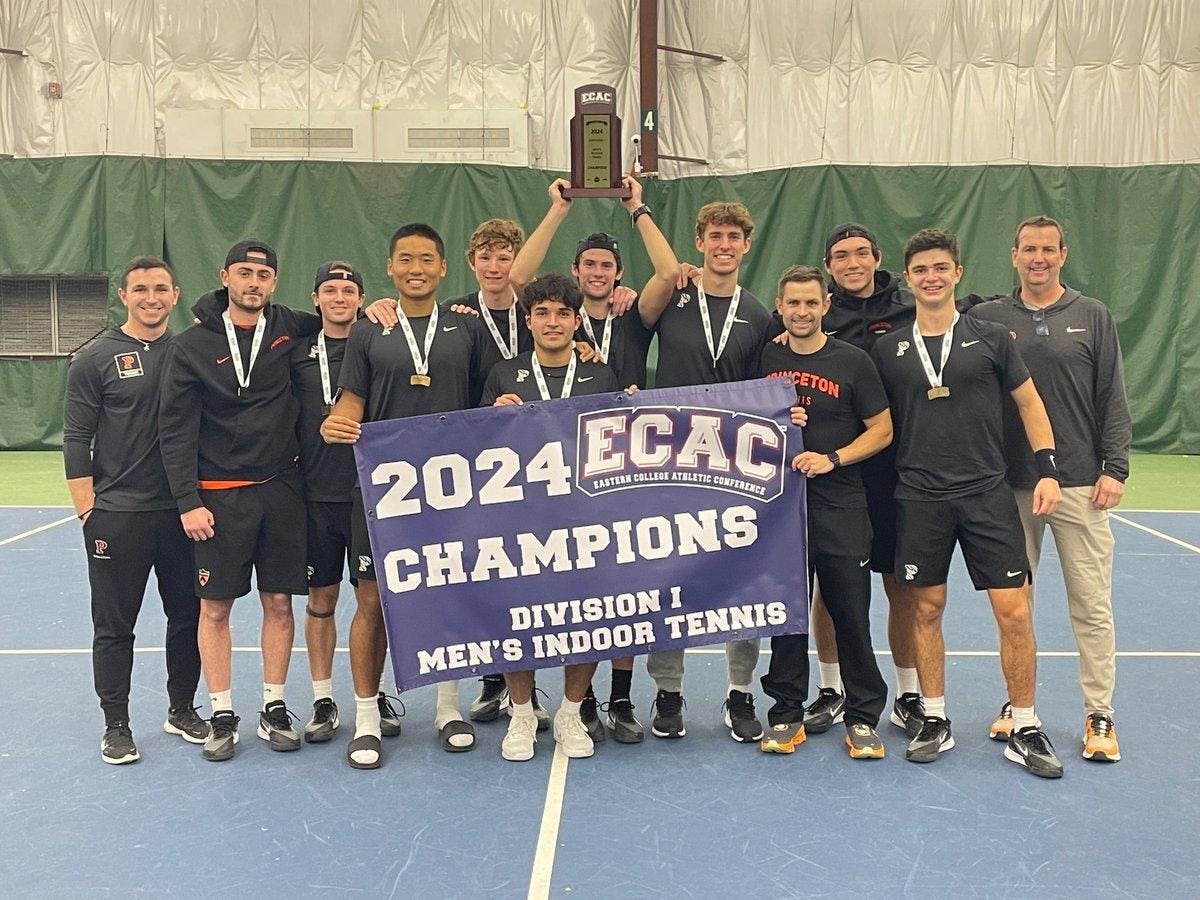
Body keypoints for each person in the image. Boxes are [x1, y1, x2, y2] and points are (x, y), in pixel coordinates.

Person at [870, 228, 1065, 778]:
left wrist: (1048, 468)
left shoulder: (993, 338)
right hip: (919, 498)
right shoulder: (889, 349)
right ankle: (933, 717)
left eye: (941, 268)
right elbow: (872, 420)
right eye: (921, 270)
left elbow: (1030, 404)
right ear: (908, 280)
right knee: (926, 610)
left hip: (986, 494)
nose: (931, 277)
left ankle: (1024, 724)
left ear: (957, 274)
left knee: (1015, 611)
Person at [505, 173, 673, 743]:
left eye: (607, 266)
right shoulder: (515, 365)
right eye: (589, 265)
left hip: (602, 491)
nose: (598, 273)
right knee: (523, 611)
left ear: (617, 275)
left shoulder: (626, 322)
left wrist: (636, 205)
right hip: (530, 508)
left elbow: (670, 276)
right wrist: (557, 208)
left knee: (604, 607)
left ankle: (604, 703)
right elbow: (520, 279)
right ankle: (521, 708)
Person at [320, 223, 490, 769]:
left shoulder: (468, 329)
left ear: (443, 269)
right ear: (391, 268)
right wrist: (337, 424)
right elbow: (351, 402)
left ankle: (447, 709)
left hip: (451, 492)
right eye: (405, 259)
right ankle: (367, 718)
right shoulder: (370, 330)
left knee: (447, 596)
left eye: (426, 259)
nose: (416, 267)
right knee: (371, 602)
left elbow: (492, 400)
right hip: (382, 493)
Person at [971, 215, 1131, 762]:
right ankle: (1018, 707)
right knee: (1015, 605)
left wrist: (1116, 467)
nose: (1038, 258)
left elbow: (1111, 394)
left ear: (1062, 254)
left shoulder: (1092, 315)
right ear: (1013, 255)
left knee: (1090, 604)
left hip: (1081, 483)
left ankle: (1099, 713)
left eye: (1048, 249)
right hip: (1009, 485)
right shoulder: (987, 317)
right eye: (1028, 249)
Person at [158, 240, 318, 762]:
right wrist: (187, 500)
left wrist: (377, 306)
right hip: (219, 499)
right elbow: (176, 429)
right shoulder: (191, 345)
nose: (253, 283)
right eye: (244, 273)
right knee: (215, 607)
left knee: (279, 602)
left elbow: (341, 315)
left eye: (263, 275)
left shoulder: (291, 327)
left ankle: (273, 706)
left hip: (280, 491)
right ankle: (222, 712)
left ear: (274, 283)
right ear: (225, 277)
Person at [637, 200, 773, 742]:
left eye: (733, 237)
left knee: (743, 578)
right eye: (714, 235)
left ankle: (740, 693)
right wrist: (638, 207)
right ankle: (668, 691)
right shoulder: (673, 298)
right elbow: (641, 303)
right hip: (670, 462)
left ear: (745, 245)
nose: (723, 244)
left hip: (736, 465)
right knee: (669, 578)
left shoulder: (760, 315)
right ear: (700, 242)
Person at [63, 256, 207, 764]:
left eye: (161, 288)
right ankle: (117, 725)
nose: (152, 297)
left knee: (186, 615)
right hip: (118, 515)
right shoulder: (95, 357)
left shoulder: (192, 351)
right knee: (114, 625)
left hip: (182, 514)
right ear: (123, 296)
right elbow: (77, 438)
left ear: (176, 294)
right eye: (141, 289)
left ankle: (182, 710)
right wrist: (87, 510)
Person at [479, 273, 623, 760]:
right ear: (529, 320)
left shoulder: (600, 375)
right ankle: (521, 712)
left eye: (563, 313)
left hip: (585, 516)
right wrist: (492, 415)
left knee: (587, 615)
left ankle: (570, 711)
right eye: (543, 313)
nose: (553, 322)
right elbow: (472, 447)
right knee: (516, 614)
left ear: (577, 320)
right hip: (519, 519)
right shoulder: (504, 374)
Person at [758, 266, 892, 758]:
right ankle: (785, 713)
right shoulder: (766, 355)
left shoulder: (853, 362)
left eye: (810, 303)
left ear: (825, 305)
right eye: (793, 303)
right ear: (780, 306)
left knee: (850, 615)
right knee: (788, 614)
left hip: (841, 505)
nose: (801, 312)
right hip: (780, 508)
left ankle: (861, 718)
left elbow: (882, 430)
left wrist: (832, 459)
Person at [289, 261, 367, 743]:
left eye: (349, 290)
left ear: (361, 298)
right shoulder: (294, 351)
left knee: (371, 603)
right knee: (322, 599)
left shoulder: (378, 343)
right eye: (330, 290)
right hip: (313, 496)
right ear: (315, 298)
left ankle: (372, 695)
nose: (340, 297)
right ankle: (322, 697)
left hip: (367, 495)